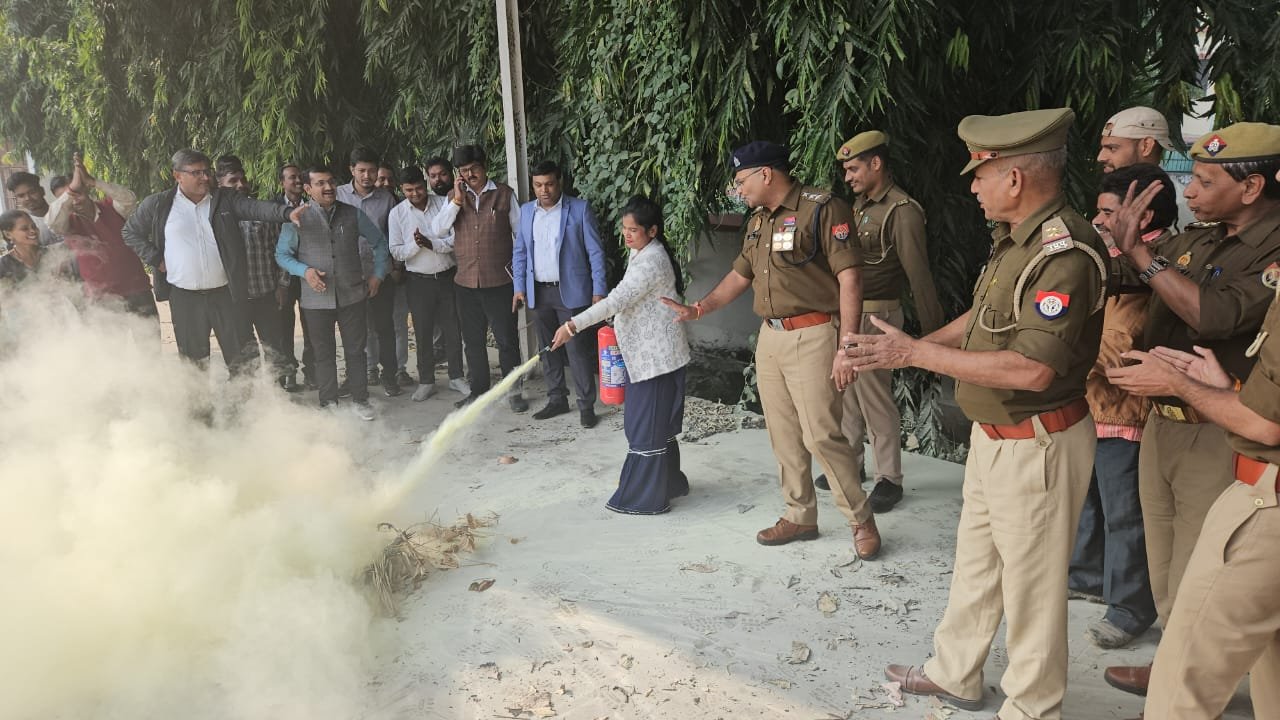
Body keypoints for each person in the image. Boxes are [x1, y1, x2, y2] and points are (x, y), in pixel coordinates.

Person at [848, 108, 1108, 718]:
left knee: (1033, 590)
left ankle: (1031, 707)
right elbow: (984, 320)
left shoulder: (1062, 254)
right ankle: (956, 672)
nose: (972, 186)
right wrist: (920, 348)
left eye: (980, 174)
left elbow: (1032, 369)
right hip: (997, 440)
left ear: (1014, 179)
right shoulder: (1015, 240)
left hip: (1038, 442)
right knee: (977, 565)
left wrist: (913, 351)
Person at [1101, 122, 1280, 697]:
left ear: (1251, 188)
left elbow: (1213, 315)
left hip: (1219, 431)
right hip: (1164, 420)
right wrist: (1108, 240)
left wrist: (1147, 260)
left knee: (1204, 571)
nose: (1192, 192)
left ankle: (1191, 683)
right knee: (1163, 560)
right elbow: (1126, 275)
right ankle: (1176, 668)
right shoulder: (1201, 237)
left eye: (1205, 181)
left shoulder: (1273, 250)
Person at [661, 141, 881, 560]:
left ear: (766, 174)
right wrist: (699, 307)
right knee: (783, 436)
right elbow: (739, 275)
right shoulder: (758, 221)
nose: (738, 189)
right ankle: (800, 515)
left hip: (814, 335)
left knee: (822, 436)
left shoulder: (822, 208)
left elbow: (850, 279)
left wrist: (847, 346)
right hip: (772, 338)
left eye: (741, 181)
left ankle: (860, 520)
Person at [1067, 164, 1174, 651]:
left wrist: (1059, 353)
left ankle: (1131, 607)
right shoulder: (1105, 256)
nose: (1099, 219)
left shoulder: (1158, 263)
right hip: (1092, 403)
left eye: (1109, 211)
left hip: (1126, 410)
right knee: (1090, 501)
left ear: (1143, 214)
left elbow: (1122, 341)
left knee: (1125, 513)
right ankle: (1088, 574)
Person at [815, 130, 945, 511]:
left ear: (877, 163)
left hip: (878, 314)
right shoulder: (858, 207)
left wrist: (934, 339)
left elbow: (919, 276)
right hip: (850, 312)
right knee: (848, 392)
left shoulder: (900, 211)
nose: (848, 177)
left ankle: (890, 477)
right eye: (845, 170)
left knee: (874, 398)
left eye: (854, 168)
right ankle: (853, 463)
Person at [552, 196, 689, 513]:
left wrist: (573, 326)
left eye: (634, 230)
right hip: (650, 357)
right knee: (655, 425)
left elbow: (616, 300)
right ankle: (668, 485)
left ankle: (645, 498)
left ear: (652, 231)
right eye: (624, 228)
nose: (627, 236)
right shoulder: (642, 252)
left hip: (656, 361)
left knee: (645, 426)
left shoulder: (652, 261)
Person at [122, 149, 298, 371]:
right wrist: (155, 258)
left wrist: (286, 213)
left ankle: (247, 405)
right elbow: (130, 232)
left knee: (242, 361)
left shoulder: (224, 198)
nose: (205, 178)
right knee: (194, 365)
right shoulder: (158, 204)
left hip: (226, 295)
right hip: (185, 298)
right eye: (196, 173)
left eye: (207, 172)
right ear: (177, 175)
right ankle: (201, 407)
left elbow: (255, 208)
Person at [276, 165, 390, 421]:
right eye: (320, 183)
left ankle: (361, 400)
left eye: (331, 182)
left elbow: (380, 244)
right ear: (307, 189)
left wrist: (378, 275)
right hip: (315, 300)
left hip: (353, 295)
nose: (328, 188)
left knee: (355, 350)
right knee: (322, 352)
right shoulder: (297, 218)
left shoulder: (353, 214)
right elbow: (282, 255)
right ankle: (328, 402)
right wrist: (305, 271)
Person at [430, 144, 527, 412]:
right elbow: (438, 230)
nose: (470, 174)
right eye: (463, 171)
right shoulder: (454, 197)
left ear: (485, 167)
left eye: (474, 169)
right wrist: (457, 200)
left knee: (507, 340)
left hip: (499, 282)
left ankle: (513, 392)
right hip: (465, 283)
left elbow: (521, 238)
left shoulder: (505, 195)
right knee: (472, 341)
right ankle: (479, 391)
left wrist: (520, 281)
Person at [513, 160, 608, 428]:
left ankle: (586, 406)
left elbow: (595, 253)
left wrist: (599, 291)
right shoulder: (526, 212)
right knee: (548, 349)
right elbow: (520, 252)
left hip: (572, 293)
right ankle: (557, 399)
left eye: (549, 184)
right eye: (538, 185)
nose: (544, 190)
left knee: (577, 350)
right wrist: (519, 287)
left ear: (560, 182)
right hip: (538, 292)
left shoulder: (579, 210)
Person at [388, 165, 468, 401]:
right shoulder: (397, 213)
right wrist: (417, 244)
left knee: (453, 328)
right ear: (402, 190)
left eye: (419, 188)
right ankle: (426, 381)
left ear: (425, 184)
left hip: (447, 276)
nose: (415, 194)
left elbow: (454, 240)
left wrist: (431, 244)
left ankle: (456, 377)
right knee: (422, 332)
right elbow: (396, 251)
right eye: (409, 190)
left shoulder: (443, 203)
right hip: (417, 281)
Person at [44, 153, 156, 318]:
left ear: (87, 188)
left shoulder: (112, 208)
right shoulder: (66, 224)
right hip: (102, 300)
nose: (74, 199)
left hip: (138, 289)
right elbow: (51, 222)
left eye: (77, 191)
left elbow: (129, 199)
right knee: (111, 344)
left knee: (150, 342)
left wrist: (94, 182)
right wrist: (73, 187)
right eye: (68, 197)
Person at [336, 147, 405, 397]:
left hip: (380, 275)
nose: (367, 175)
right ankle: (355, 378)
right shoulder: (338, 195)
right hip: (349, 276)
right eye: (362, 170)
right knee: (353, 331)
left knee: (384, 328)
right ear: (351, 170)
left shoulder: (387, 199)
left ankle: (390, 377)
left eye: (372, 170)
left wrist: (393, 268)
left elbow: (392, 236)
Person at [214, 156, 288, 381]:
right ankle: (248, 403)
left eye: (242, 179)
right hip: (233, 300)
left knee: (276, 350)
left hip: (265, 295)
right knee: (243, 355)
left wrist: (282, 286)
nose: (240, 185)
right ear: (219, 184)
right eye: (233, 181)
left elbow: (280, 253)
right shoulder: (214, 218)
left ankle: (280, 399)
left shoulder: (262, 213)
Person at [273, 163, 313, 391]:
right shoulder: (273, 208)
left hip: (311, 275)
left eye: (300, 177)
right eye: (292, 177)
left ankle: (312, 371)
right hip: (284, 278)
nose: (297, 181)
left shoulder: (314, 205)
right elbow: (271, 246)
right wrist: (278, 282)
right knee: (283, 327)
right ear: (282, 182)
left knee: (312, 326)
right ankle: (288, 373)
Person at [0, 210, 75, 284]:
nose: (33, 230)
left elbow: (70, 284)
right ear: (8, 235)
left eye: (34, 226)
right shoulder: (4, 265)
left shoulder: (54, 254)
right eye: (25, 228)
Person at [5, 171, 61, 246]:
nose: (27, 198)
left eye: (32, 192)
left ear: (42, 191)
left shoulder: (63, 210)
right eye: (21, 196)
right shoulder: (26, 227)